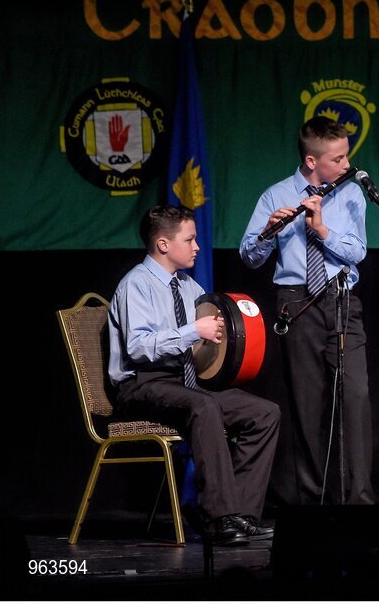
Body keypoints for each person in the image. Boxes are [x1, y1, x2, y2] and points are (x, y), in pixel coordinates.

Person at [108, 205, 280, 546]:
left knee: (264, 413)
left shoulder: (187, 286)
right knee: (204, 407)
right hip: (142, 385)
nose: (197, 246)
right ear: (163, 245)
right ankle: (218, 517)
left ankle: (241, 515)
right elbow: (139, 348)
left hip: (185, 385)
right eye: (190, 239)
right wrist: (192, 331)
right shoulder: (136, 285)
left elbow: (200, 341)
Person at [240, 116, 374, 505]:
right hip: (296, 301)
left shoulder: (350, 194)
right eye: (338, 158)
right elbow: (249, 256)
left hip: (342, 300)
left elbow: (358, 252)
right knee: (307, 404)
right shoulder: (275, 194)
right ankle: (310, 503)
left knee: (355, 400)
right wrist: (268, 231)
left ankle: (359, 502)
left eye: (347, 155)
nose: (347, 164)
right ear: (312, 161)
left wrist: (322, 231)